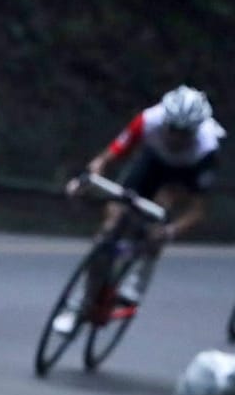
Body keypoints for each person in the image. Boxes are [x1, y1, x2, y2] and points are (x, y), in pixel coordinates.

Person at [64, 85, 225, 326]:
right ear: (165, 120)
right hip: (151, 163)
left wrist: (169, 232)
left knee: (157, 222)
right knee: (110, 226)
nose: (178, 137)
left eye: (186, 133)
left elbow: (197, 211)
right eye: (173, 129)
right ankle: (81, 303)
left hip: (182, 176)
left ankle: (135, 286)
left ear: (197, 130)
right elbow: (107, 157)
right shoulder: (148, 120)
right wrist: (86, 180)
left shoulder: (207, 149)